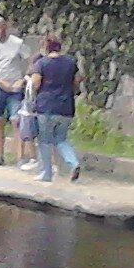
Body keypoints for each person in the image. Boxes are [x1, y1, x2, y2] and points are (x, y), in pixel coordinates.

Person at [28, 34, 83, 182]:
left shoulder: (41, 63)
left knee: (45, 140)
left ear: (46, 47)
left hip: (46, 106)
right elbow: (77, 82)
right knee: (61, 139)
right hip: (66, 107)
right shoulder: (71, 63)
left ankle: (47, 173)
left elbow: (36, 84)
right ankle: (74, 163)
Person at [0, 16, 31, 167]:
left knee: (16, 120)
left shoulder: (17, 43)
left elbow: (30, 62)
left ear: (5, 27)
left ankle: (21, 157)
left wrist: (22, 79)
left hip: (15, 87)